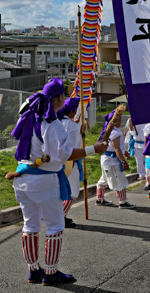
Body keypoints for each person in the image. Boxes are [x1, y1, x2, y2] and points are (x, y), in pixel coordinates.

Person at [10, 78, 108, 285]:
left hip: (22, 180)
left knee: (30, 225)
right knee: (55, 226)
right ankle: (51, 273)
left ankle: (34, 270)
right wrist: (93, 149)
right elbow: (63, 155)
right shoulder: (51, 124)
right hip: (44, 181)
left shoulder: (29, 116)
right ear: (60, 98)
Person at [95, 110, 134, 208]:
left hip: (106, 159)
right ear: (116, 121)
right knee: (120, 181)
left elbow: (114, 147)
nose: (121, 121)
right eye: (120, 119)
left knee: (103, 179)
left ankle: (100, 199)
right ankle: (123, 202)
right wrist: (123, 161)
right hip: (112, 162)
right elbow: (116, 148)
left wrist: (124, 151)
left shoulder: (108, 130)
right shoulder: (114, 132)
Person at [57, 97, 82, 229]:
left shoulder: (56, 122)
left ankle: (62, 216)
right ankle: (61, 216)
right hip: (70, 160)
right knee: (72, 191)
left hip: (56, 160)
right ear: (72, 111)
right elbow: (77, 145)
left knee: (60, 189)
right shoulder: (73, 126)